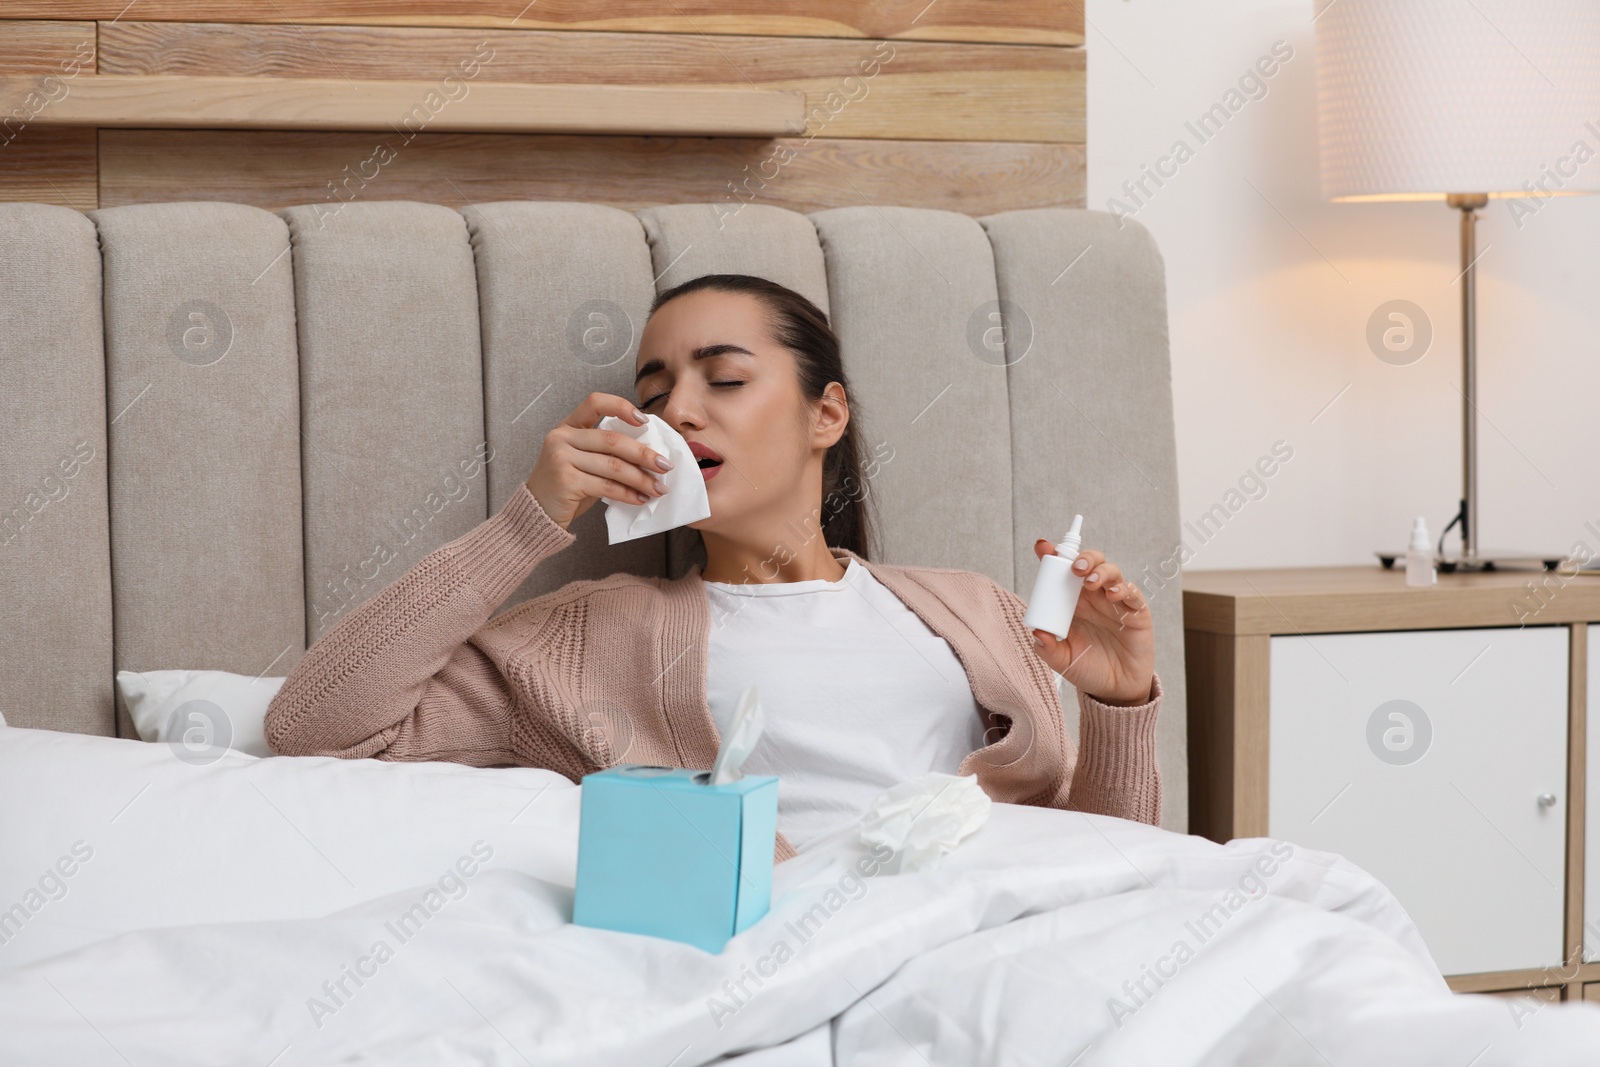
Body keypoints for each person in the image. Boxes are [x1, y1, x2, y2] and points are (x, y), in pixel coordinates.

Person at [265, 273, 1163, 861]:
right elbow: (316, 726)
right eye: (653, 397)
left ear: (826, 415)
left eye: (724, 380)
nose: (680, 412)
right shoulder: (587, 641)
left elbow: (1104, 866)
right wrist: (527, 522)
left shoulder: (977, 612)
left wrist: (1118, 703)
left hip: (1002, 943)